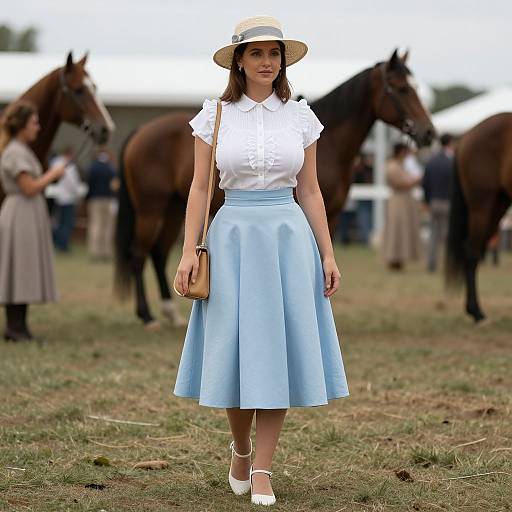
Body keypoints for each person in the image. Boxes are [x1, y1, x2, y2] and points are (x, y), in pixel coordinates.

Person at [172, 16, 349, 506]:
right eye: (257, 54)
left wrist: (328, 253)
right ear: (239, 61)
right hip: (231, 240)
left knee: (278, 352)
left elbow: (311, 189)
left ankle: (265, 469)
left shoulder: (301, 116)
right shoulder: (213, 116)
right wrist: (189, 251)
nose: (267, 62)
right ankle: (242, 451)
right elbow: (200, 188)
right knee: (235, 350)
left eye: (274, 54)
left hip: (289, 239)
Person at [0, 100, 66, 341]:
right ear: (22, 126)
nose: (38, 127)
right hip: (20, 214)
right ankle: (14, 328)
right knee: (18, 267)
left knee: (23, 268)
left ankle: (20, 326)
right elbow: (28, 188)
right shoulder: (15, 152)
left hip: (27, 214)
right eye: (34, 123)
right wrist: (53, 174)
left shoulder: (21, 150)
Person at [381, 143, 422, 270]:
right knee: (396, 229)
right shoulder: (393, 166)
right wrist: (417, 179)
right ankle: (393, 258)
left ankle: (399, 258)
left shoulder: (399, 165)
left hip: (403, 201)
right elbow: (402, 183)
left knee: (402, 230)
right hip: (398, 201)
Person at [422, 133, 455, 272]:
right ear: (450, 143)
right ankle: (449, 265)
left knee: (434, 235)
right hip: (448, 202)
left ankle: (431, 264)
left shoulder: (431, 161)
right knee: (449, 235)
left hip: (434, 202)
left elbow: (425, 183)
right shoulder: (452, 162)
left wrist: (428, 200)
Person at [47, 146, 88, 252]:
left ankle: (58, 243)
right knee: (66, 223)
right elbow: (72, 183)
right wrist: (78, 193)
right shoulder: (68, 165)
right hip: (67, 198)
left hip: (57, 197)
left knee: (58, 222)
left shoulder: (55, 162)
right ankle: (63, 245)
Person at [85, 147, 117, 260]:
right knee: (108, 227)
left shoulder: (92, 167)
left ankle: (95, 251)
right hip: (108, 199)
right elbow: (115, 185)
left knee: (95, 225)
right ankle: (106, 251)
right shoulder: (111, 168)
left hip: (95, 199)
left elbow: (89, 183)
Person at [352, 152, 374, 245]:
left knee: (368, 218)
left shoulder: (371, 169)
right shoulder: (360, 169)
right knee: (363, 217)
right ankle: (365, 239)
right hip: (363, 198)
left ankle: (367, 238)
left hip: (370, 198)